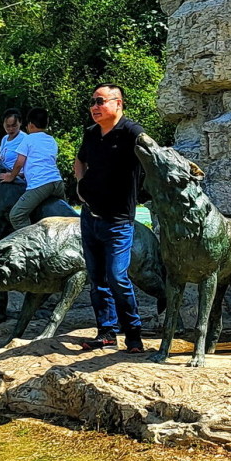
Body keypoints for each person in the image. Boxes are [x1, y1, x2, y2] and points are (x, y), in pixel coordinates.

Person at [73, 84, 145, 353]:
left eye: (100, 101)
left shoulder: (133, 133)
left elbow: (156, 158)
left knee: (117, 277)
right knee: (97, 279)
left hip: (118, 220)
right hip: (90, 217)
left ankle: (134, 333)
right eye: (92, 101)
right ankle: (106, 332)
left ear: (118, 104)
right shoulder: (91, 134)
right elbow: (79, 161)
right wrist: (80, 184)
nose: (94, 106)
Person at [0, 107, 65, 231]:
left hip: (41, 184)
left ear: (30, 125)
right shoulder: (52, 140)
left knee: (16, 216)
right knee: (63, 217)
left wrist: (11, 176)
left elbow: (19, 163)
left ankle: (32, 243)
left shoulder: (28, 139)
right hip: (58, 183)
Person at [0, 109, 27, 176]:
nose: (11, 129)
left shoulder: (25, 139)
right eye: (8, 126)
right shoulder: (4, 139)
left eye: (14, 126)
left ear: (20, 123)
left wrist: (13, 175)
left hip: (18, 177)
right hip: (4, 173)